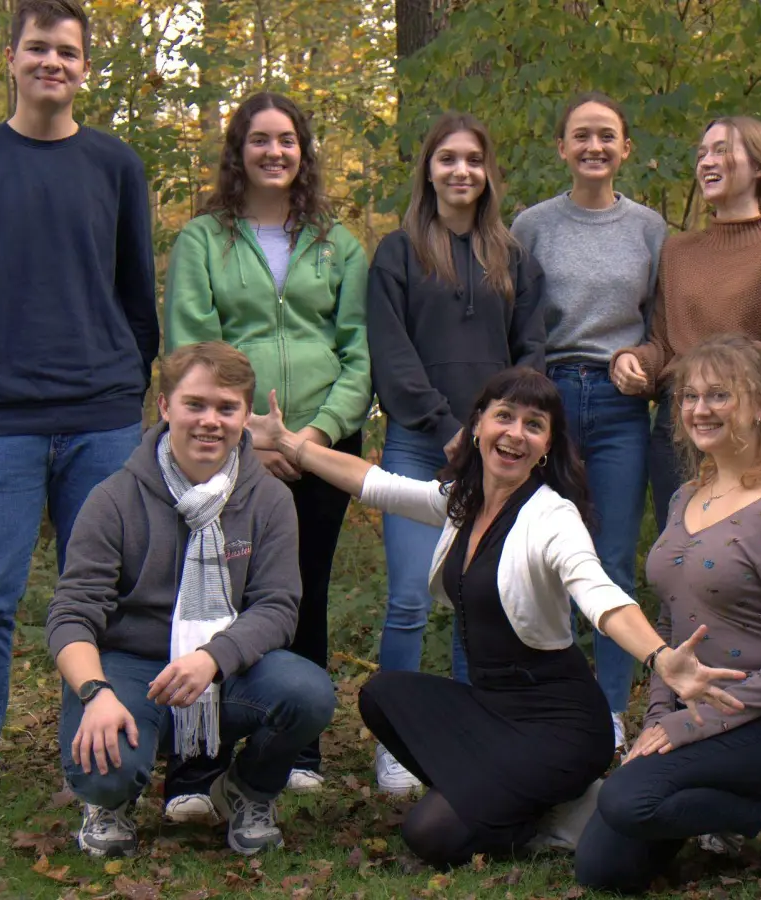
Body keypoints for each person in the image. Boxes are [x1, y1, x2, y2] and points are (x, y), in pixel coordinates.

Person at [247, 366, 745, 868]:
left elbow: (599, 594)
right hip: (493, 710)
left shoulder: (553, 518)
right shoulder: (463, 501)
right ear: (478, 426)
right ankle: (527, 802)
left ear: (547, 446)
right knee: (382, 694)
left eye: (534, 425)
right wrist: (290, 443)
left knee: (429, 834)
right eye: (504, 417)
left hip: (561, 727)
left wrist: (660, 656)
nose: (515, 434)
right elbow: (376, 484)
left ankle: (541, 807)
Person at [0, 0, 159, 822]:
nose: (53, 62)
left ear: (86, 66)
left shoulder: (116, 165)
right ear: (10, 57)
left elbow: (136, 292)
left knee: (103, 602)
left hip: (103, 415)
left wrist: (130, 387)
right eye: (38, 49)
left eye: (68, 51)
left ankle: (90, 771)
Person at [46, 342, 336, 858]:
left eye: (227, 409)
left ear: (246, 416)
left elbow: (278, 607)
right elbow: (72, 616)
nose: (210, 422)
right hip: (133, 666)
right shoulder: (113, 498)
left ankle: (249, 789)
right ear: (164, 408)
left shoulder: (268, 499)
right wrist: (95, 692)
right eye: (195, 404)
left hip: (225, 667)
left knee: (308, 693)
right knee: (108, 767)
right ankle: (107, 803)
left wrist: (212, 657)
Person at [163, 91, 369, 802]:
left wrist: (310, 439)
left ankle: (298, 749)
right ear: (238, 151)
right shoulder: (204, 239)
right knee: (217, 596)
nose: (274, 152)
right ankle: (199, 759)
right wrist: (251, 432)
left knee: (302, 590)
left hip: (322, 446)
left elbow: (357, 351)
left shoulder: (335, 241)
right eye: (260, 140)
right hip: (228, 445)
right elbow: (191, 342)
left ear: (303, 152)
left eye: (287, 141)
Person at [574, 335, 761, 893]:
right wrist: (659, 719)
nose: (699, 409)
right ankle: (718, 809)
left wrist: (692, 724)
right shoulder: (685, 496)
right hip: (695, 714)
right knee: (603, 870)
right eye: (689, 396)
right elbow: (671, 625)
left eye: (719, 395)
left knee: (626, 798)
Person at [366, 112, 545, 794]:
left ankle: (479, 736)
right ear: (429, 170)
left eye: (473, 158)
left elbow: (533, 349)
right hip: (420, 441)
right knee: (411, 597)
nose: (461, 171)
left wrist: (503, 430)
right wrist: (446, 424)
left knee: (481, 599)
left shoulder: (513, 255)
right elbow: (393, 353)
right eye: (448, 159)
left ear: (488, 171)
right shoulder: (398, 252)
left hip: (496, 453)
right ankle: (397, 744)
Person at [511, 92, 668, 750]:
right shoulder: (532, 226)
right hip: (547, 403)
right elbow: (516, 318)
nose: (594, 146)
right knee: (538, 557)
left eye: (607, 135)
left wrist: (645, 360)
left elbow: (666, 326)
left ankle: (606, 711)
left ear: (626, 148)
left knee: (610, 560)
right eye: (581, 135)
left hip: (617, 402)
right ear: (562, 147)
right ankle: (545, 701)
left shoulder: (651, 229)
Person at [610, 115, 761, 517]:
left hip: (753, 430)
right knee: (680, 560)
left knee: (747, 561)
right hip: (680, 429)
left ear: (759, 166)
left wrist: (726, 371)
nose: (706, 161)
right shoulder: (679, 251)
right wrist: (632, 361)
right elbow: (664, 345)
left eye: (722, 150)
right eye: (702, 153)